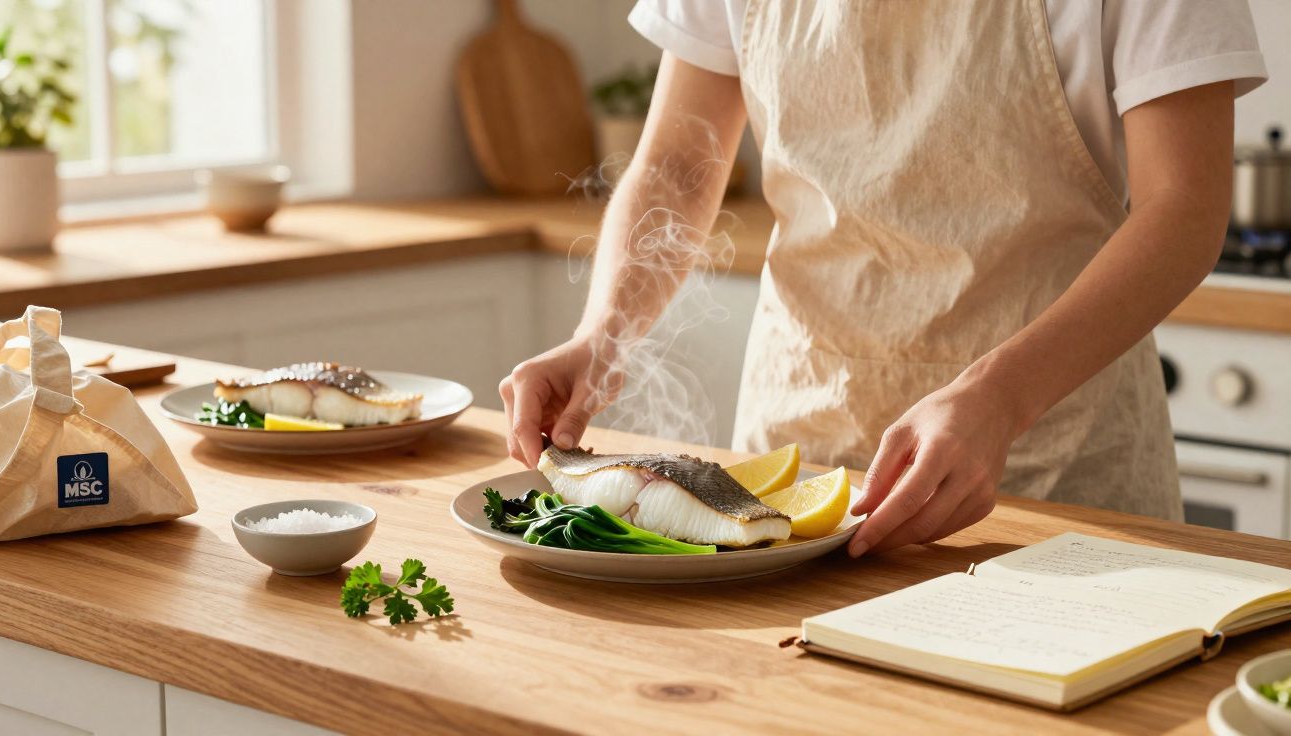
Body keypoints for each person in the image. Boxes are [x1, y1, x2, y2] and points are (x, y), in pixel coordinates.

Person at [499, 0, 1268, 556]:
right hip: (796, 452)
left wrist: (998, 397)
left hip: (1056, 458)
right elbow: (676, 164)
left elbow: (1184, 210)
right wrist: (602, 336)